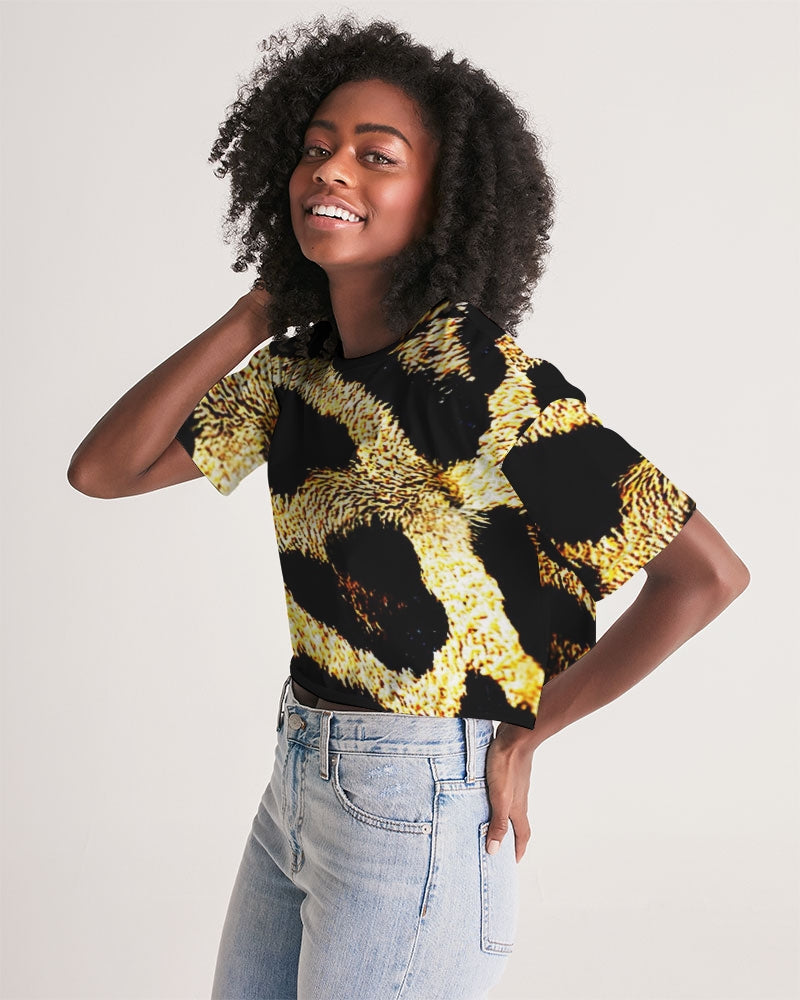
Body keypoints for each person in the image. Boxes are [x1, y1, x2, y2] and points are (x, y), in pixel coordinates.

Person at [67, 13, 750, 1000]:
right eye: (315, 149)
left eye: (375, 156)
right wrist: (259, 309)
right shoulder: (296, 374)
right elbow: (105, 469)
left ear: (441, 202)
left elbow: (704, 575)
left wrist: (527, 732)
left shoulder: (471, 375)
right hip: (299, 774)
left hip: (417, 795)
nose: (331, 171)